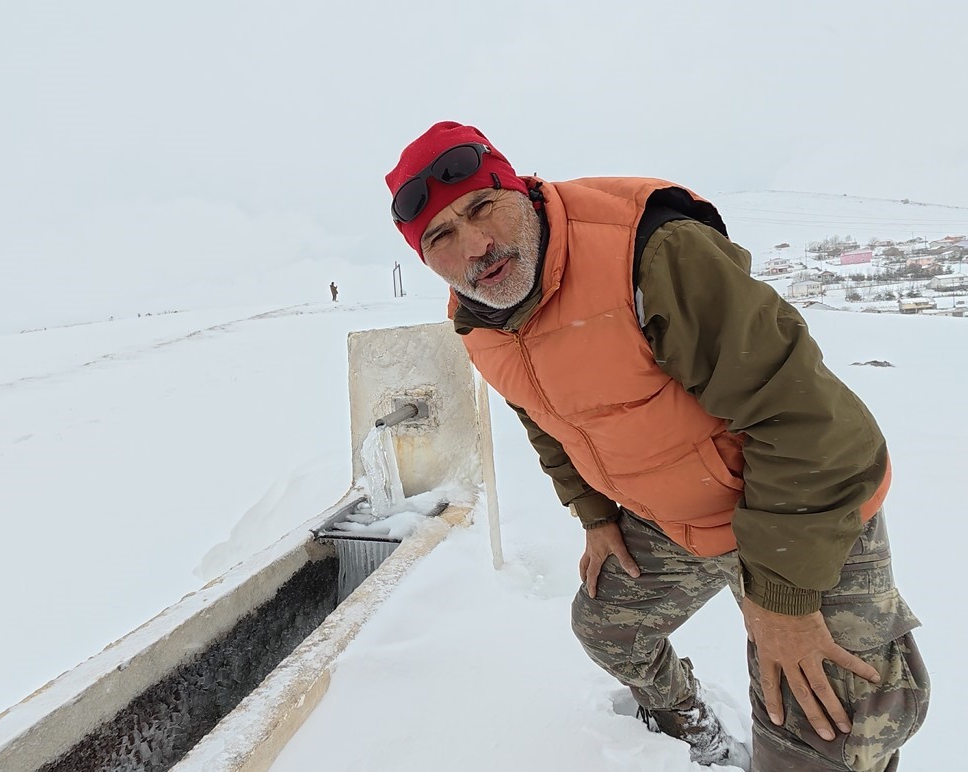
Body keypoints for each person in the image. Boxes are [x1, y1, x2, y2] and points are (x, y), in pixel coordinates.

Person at [385, 121, 929, 771]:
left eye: (482, 207)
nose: (476, 245)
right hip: (676, 514)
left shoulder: (650, 256)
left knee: (831, 728)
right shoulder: (477, 316)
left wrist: (782, 600)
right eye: (441, 236)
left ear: (522, 190)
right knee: (607, 629)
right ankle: (681, 717)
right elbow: (542, 415)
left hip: (799, 500)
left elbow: (809, 426)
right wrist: (594, 516)